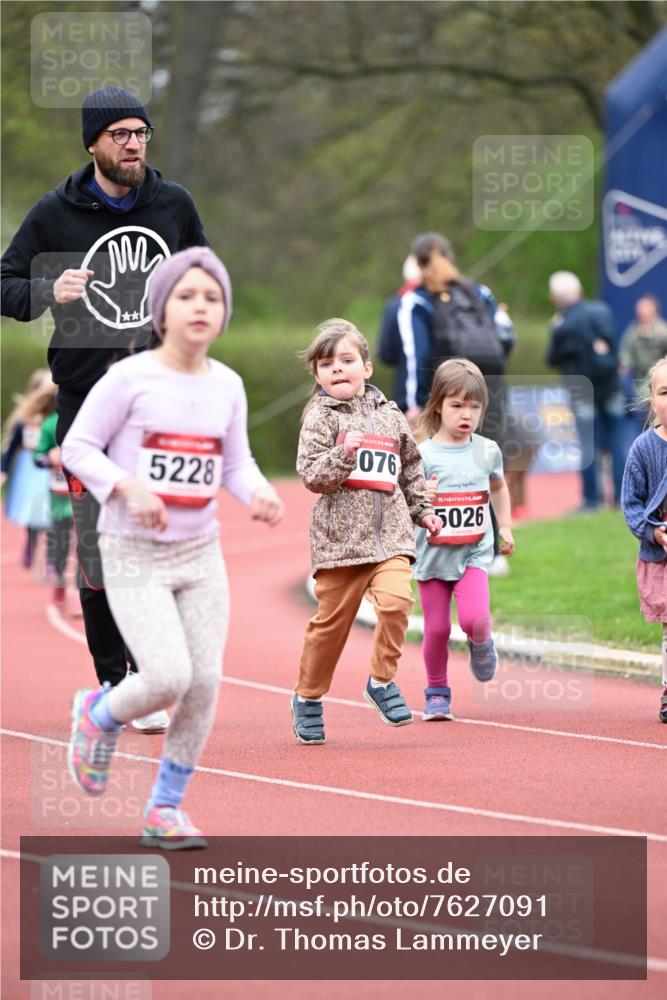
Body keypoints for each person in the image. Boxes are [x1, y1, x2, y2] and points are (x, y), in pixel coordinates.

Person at [61, 247, 284, 847]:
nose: (200, 307)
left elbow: (235, 462)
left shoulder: (228, 386)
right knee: (166, 675)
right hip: (133, 550)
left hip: (200, 554)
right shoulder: (129, 378)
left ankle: (165, 808)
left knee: (204, 682)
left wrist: (257, 492)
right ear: (161, 309)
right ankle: (98, 715)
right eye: (186, 295)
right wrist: (126, 486)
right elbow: (78, 448)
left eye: (212, 297)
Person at [1, 86, 209, 730]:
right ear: (93, 143)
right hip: (88, 401)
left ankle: (155, 669)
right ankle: (117, 680)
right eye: (119, 133)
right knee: (98, 552)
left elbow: (205, 275)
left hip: (161, 399)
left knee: (162, 540)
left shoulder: (172, 205)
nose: (133, 143)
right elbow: (4, 285)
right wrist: (45, 287)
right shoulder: (55, 213)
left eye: (140, 132)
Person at [293, 318, 442, 744]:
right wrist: (343, 453)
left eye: (346, 360)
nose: (337, 369)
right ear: (317, 375)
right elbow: (311, 475)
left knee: (396, 603)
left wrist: (423, 510)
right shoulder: (319, 418)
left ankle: (381, 680)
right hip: (341, 544)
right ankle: (308, 696)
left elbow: (410, 467)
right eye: (326, 364)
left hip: (391, 537)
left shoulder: (390, 414)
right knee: (330, 628)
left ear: (367, 368)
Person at [415, 359, 515, 720]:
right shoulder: (423, 455)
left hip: (474, 552)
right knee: (437, 628)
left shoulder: (487, 450)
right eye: (457, 405)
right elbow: (406, 503)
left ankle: (481, 642)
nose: (466, 414)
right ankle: (437, 690)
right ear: (438, 404)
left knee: (475, 618)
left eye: (474, 406)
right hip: (432, 557)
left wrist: (504, 526)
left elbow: (499, 488)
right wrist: (421, 498)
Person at [378, 232, 515, 439]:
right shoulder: (481, 293)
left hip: (442, 407)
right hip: (489, 401)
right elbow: (505, 339)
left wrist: (413, 404)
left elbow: (415, 355)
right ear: (450, 257)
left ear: (417, 262)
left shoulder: (415, 301)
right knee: (488, 466)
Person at [546, 271, 626, 512]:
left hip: (582, 392)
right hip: (611, 387)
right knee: (617, 444)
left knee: (587, 446)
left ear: (556, 298)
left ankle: (592, 501)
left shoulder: (562, 322)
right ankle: (623, 499)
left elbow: (552, 359)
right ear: (579, 290)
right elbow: (614, 347)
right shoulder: (601, 311)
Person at [620, 355, 667, 724]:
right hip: (660, 554)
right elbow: (631, 503)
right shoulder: (643, 449)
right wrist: (652, 530)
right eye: (665, 392)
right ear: (653, 400)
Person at [1, 370, 55, 569]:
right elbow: (11, 446)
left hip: (48, 469)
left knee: (51, 512)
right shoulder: (24, 418)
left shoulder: (56, 418)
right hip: (29, 469)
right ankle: (30, 544)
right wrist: (3, 471)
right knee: (32, 512)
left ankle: (51, 557)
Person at [33, 409, 78, 615]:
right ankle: (60, 581)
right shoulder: (51, 424)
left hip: (84, 495)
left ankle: (78, 593)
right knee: (60, 547)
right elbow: (37, 457)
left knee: (87, 548)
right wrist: (49, 457)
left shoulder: (93, 413)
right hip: (60, 497)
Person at [619, 294, 667, 442]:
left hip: (659, 378)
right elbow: (625, 353)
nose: (642, 312)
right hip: (639, 380)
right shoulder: (634, 331)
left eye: (646, 308)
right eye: (640, 309)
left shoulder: (662, 331)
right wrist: (624, 365)